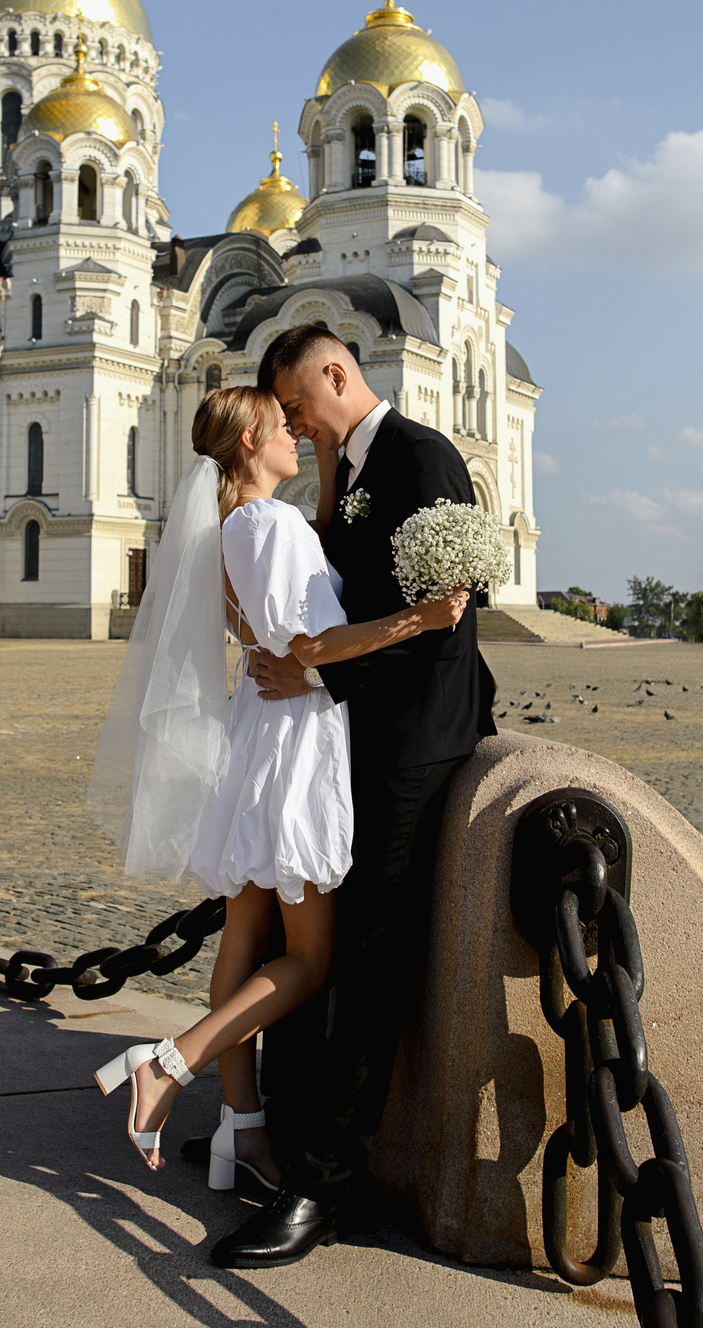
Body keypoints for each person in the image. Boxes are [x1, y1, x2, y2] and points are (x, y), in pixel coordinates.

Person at [86, 385, 469, 1190]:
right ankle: (171, 1060)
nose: (296, 433)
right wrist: (422, 618)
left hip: (256, 724)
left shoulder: (228, 528)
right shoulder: (273, 524)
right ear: (251, 441)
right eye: (281, 426)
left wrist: (326, 477)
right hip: (295, 738)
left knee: (243, 934)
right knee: (310, 958)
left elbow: (258, 629)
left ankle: (243, 1129)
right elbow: (313, 644)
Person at [208, 325, 497, 1270]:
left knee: (368, 954)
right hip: (347, 737)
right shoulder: (346, 471)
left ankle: (322, 1187)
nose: (292, 424)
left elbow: (447, 622)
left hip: (414, 744)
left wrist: (317, 676)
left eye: (297, 406)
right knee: (312, 939)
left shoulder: (422, 457)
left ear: (337, 372)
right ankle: (289, 1129)